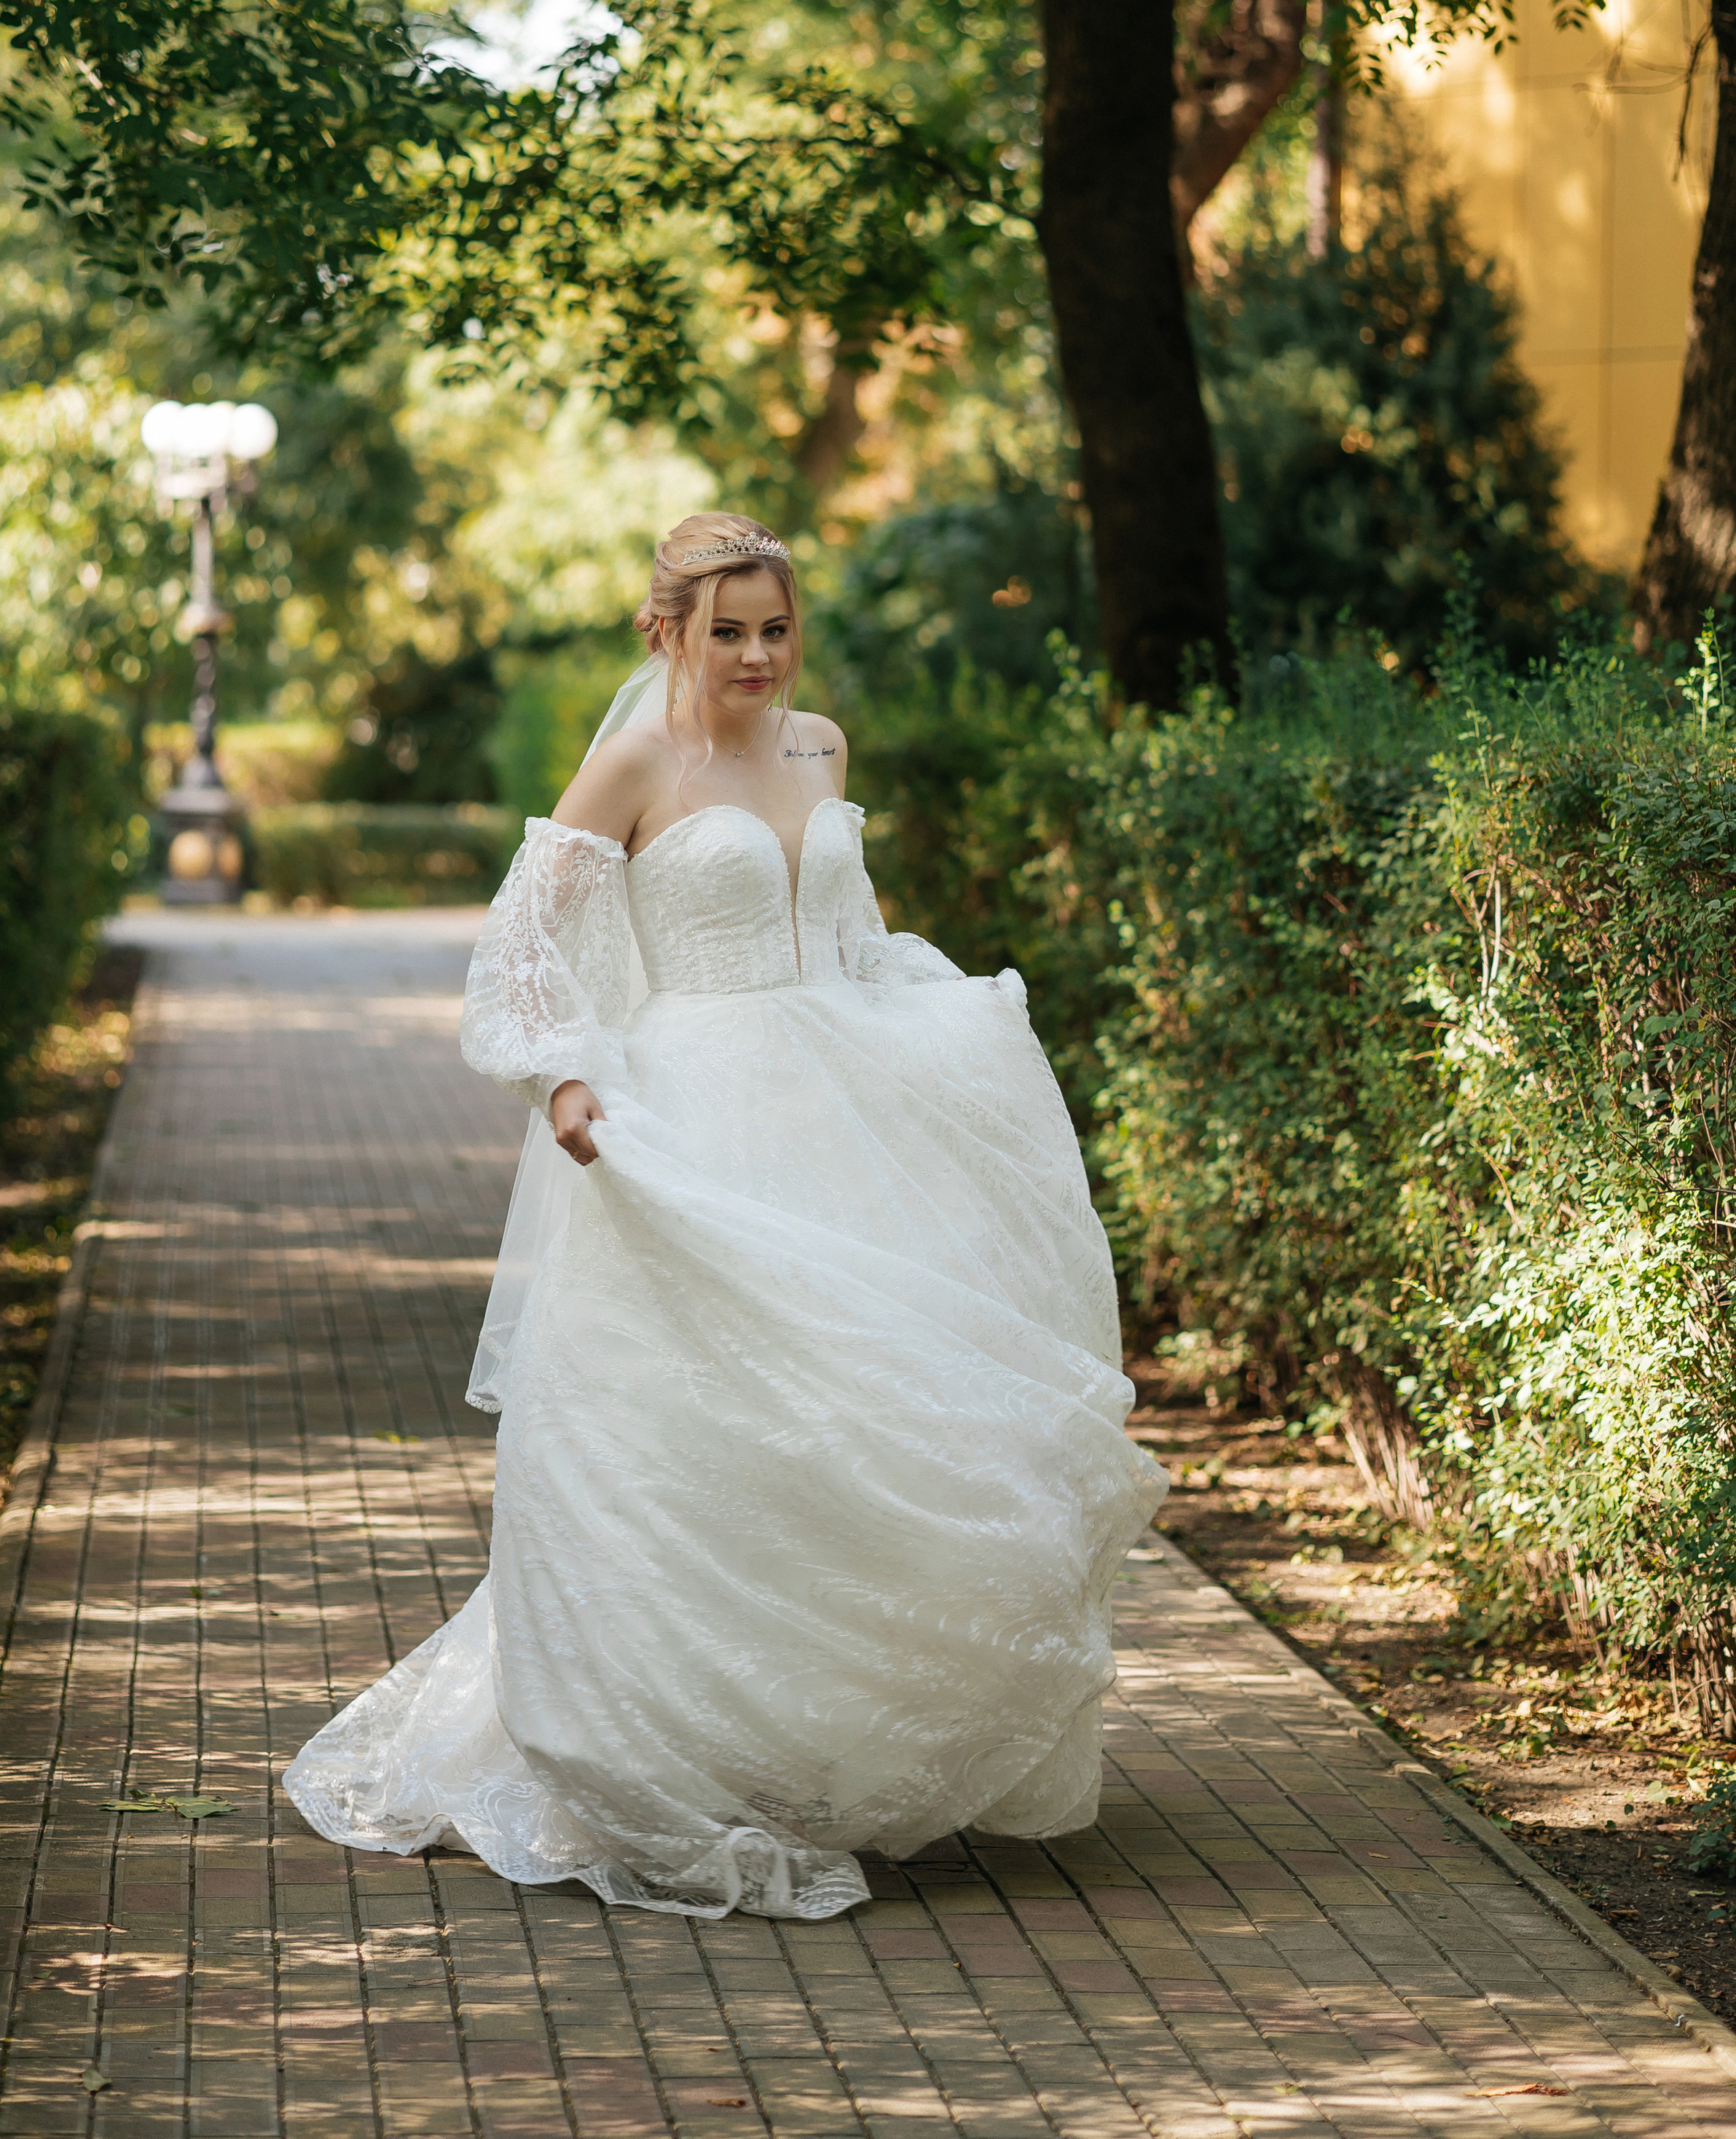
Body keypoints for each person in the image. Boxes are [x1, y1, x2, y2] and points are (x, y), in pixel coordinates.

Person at [283, 510, 1166, 1920]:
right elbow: (523, 944)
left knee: (854, 1411)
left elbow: (855, 932)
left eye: (776, 628)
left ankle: (823, 1740)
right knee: (695, 1420)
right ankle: (677, 1744)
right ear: (670, 632)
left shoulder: (817, 748)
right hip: (695, 1112)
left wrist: (942, 1036)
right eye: (729, 630)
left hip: (842, 1107)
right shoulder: (635, 761)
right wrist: (565, 1077)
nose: (757, 655)